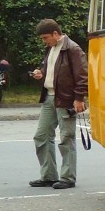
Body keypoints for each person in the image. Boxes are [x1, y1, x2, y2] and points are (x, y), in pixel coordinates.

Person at [28, 19, 88, 190]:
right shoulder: (51, 48)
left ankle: (68, 178)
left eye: (45, 37)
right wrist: (41, 73)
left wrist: (78, 98)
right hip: (49, 97)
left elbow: (82, 76)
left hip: (66, 99)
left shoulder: (73, 49)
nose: (44, 41)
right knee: (41, 136)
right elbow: (51, 70)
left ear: (56, 33)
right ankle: (48, 176)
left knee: (66, 138)